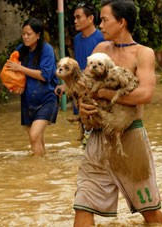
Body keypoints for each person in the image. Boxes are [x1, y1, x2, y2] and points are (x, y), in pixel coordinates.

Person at [73, 0, 162, 226]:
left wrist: (103, 94)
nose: (101, 24)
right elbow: (85, 89)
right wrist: (83, 104)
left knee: (151, 213)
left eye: (105, 19)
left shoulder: (143, 53)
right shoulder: (100, 51)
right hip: (97, 140)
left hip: (130, 142)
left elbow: (145, 94)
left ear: (122, 22)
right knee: (82, 207)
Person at [5, 18, 58, 156]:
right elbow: (10, 72)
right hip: (28, 100)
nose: (25, 37)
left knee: (34, 135)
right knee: (36, 139)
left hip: (47, 98)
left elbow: (45, 75)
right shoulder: (20, 50)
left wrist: (21, 68)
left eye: (29, 34)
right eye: (23, 34)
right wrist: (15, 86)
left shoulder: (47, 50)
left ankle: (37, 170)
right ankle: (41, 172)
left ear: (38, 35)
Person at [55, 2, 104, 146]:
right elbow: (76, 68)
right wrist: (66, 84)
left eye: (78, 17)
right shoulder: (77, 39)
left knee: (98, 133)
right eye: (74, 18)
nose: (75, 21)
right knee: (85, 134)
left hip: (95, 93)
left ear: (90, 19)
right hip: (79, 93)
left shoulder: (102, 39)